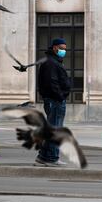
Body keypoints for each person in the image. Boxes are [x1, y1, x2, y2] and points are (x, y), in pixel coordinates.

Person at [35, 38, 71, 166]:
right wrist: (60, 97)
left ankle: (44, 157)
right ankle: (50, 158)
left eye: (65, 49)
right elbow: (52, 83)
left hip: (54, 99)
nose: (64, 51)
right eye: (62, 48)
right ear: (55, 48)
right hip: (55, 100)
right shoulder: (51, 63)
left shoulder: (53, 61)